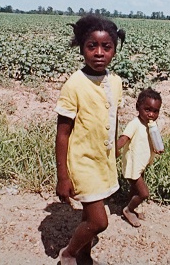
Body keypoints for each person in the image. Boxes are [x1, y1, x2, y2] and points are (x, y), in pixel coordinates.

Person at [55, 14, 126, 265]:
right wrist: (63, 177)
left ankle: (84, 257)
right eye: (91, 46)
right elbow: (62, 134)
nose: (99, 53)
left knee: (89, 216)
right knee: (99, 221)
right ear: (82, 48)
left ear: (114, 51)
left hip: (103, 160)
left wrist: (115, 147)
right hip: (82, 162)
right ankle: (69, 254)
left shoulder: (115, 82)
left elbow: (114, 117)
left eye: (106, 47)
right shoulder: (74, 85)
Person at [116, 87, 163, 228]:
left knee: (135, 190)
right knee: (143, 193)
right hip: (133, 165)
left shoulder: (151, 125)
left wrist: (158, 148)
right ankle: (128, 210)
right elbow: (124, 138)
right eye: (147, 110)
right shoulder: (135, 124)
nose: (151, 114)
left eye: (155, 111)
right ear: (138, 107)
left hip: (141, 163)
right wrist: (113, 150)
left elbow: (151, 140)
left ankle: (130, 208)